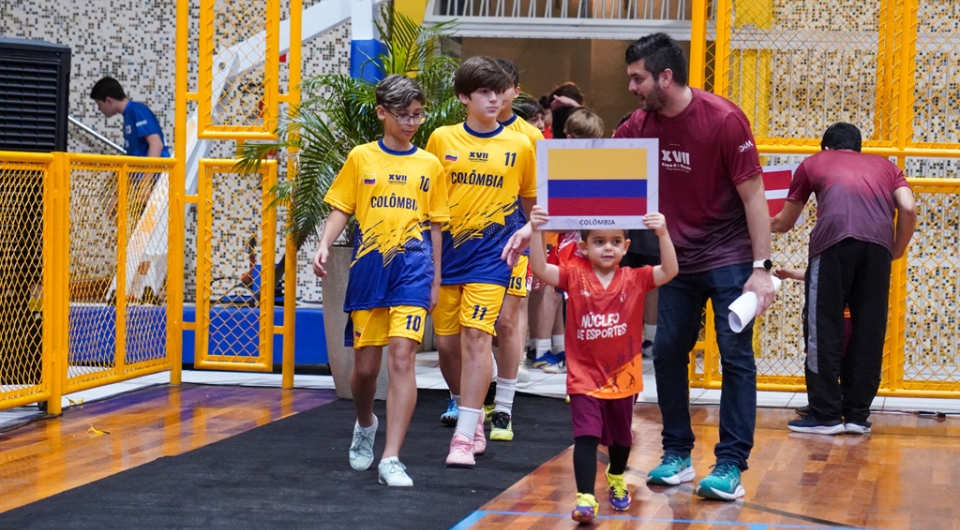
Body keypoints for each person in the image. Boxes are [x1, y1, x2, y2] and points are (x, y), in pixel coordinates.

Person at [613, 33, 776, 501]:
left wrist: (761, 268)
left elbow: (754, 197)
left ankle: (730, 463)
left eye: (638, 78)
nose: (632, 87)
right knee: (667, 353)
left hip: (729, 257)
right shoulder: (638, 125)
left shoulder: (723, 119)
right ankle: (677, 454)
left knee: (735, 357)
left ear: (665, 76)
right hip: (677, 261)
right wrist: (538, 225)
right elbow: (599, 174)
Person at [311, 75, 449, 486]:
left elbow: (437, 226)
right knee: (366, 370)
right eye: (403, 115)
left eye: (417, 115)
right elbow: (341, 207)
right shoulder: (361, 157)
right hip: (369, 272)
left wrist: (436, 280)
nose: (411, 123)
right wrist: (323, 244)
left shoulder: (430, 165)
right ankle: (366, 422)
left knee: (403, 359)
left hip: (413, 269)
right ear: (382, 113)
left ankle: (392, 458)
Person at [528, 205, 678, 523]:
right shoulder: (573, 275)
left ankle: (617, 476)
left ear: (626, 246)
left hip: (624, 378)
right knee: (586, 436)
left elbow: (669, 270)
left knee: (621, 439)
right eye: (599, 241)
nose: (607, 247)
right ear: (583, 247)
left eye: (615, 241)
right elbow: (540, 269)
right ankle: (585, 497)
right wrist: (538, 230)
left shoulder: (635, 278)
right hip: (583, 377)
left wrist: (663, 233)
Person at [426, 56, 537, 468]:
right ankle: (467, 412)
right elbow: (428, 200)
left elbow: (534, 203)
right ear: (463, 98)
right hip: (448, 254)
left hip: (494, 256)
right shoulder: (441, 139)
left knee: (478, 336)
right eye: (484, 92)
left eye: (498, 91)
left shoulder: (521, 144)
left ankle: (463, 434)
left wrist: (531, 237)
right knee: (447, 344)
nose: (494, 100)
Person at [770, 122, 916, 435]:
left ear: (826, 148)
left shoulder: (814, 162)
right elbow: (908, 207)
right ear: (858, 148)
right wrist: (896, 250)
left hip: (832, 244)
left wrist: (755, 223)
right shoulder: (887, 167)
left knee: (823, 327)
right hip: (878, 249)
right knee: (869, 330)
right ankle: (857, 416)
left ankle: (825, 416)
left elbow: (784, 222)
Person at [89, 76, 170, 158]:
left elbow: (156, 144)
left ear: (109, 101)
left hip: (153, 165)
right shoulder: (128, 114)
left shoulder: (138, 111)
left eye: (99, 104)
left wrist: (148, 167)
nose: (99, 109)